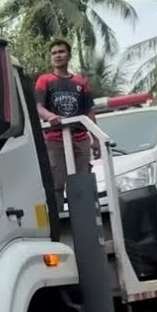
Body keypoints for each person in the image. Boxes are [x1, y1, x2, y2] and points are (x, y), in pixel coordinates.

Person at [35, 38, 99, 213]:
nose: (57, 56)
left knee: (82, 183)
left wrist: (96, 139)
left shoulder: (80, 83)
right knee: (56, 183)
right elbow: (38, 107)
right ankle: (57, 224)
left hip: (80, 139)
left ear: (69, 55)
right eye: (54, 53)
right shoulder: (45, 80)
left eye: (61, 52)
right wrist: (50, 116)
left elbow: (89, 112)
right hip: (55, 139)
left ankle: (85, 222)